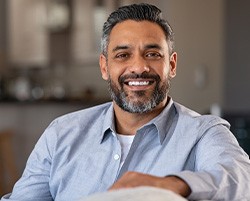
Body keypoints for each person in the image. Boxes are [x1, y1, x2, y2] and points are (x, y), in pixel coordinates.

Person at [1, 3, 250, 201]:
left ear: (171, 65)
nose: (139, 67)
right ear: (104, 66)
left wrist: (170, 185)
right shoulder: (61, 134)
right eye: (123, 55)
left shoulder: (204, 133)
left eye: (152, 54)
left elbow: (241, 181)